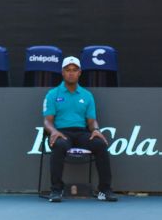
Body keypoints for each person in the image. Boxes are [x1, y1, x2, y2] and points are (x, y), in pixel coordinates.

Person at [43, 56, 117, 203]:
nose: (71, 73)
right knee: (58, 145)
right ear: (62, 73)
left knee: (100, 144)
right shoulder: (53, 94)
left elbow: (91, 121)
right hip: (62, 132)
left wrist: (96, 129)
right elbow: (47, 121)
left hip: (82, 133)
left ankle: (104, 190)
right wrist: (54, 132)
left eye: (74, 70)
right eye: (68, 70)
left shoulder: (87, 95)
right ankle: (57, 190)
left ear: (80, 73)